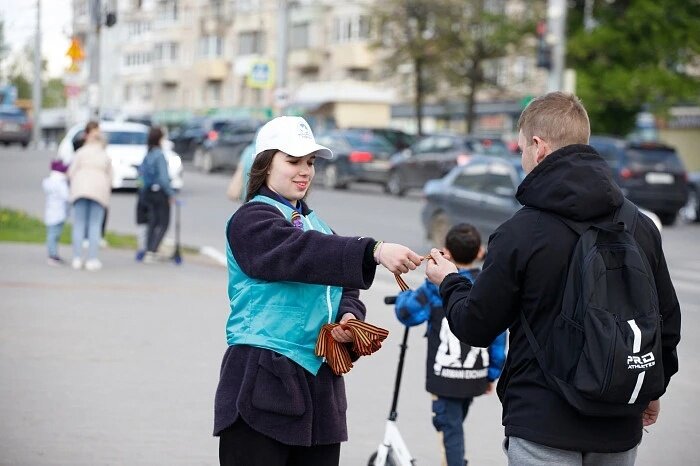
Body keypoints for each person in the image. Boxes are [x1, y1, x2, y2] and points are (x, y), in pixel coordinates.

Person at [425, 92, 681, 465]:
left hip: (542, 425)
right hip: (619, 425)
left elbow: (475, 325)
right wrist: (650, 387)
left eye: (520, 150)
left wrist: (449, 280)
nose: (522, 160)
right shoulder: (638, 225)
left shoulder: (520, 232)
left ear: (538, 146)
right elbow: (667, 323)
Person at [214, 115, 423, 466]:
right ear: (264, 164)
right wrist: (372, 250)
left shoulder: (317, 224)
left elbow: (345, 289)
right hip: (261, 378)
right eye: (292, 161)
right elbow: (299, 252)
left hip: (319, 390)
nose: (305, 171)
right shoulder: (251, 219)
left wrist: (348, 319)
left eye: (310, 162)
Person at [395, 223, 506, 466]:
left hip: (445, 376)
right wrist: (492, 374)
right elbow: (499, 334)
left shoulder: (436, 287)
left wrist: (402, 297)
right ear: (480, 252)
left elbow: (408, 313)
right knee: (455, 421)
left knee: (450, 428)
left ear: (447, 253)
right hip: (476, 373)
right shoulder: (487, 286)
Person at [68, 121, 112, 271]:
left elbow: (71, 172)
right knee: (95, 225)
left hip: (80, 190)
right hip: (98, 192)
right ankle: (92, 259)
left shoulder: (80, 153)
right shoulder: (104, 154)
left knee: (79, 224)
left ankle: (77, 258)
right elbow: (111, 176)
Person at [138, 126, 175, 262]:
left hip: (148, 192)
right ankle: (153, 250)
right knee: (163, 223)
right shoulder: (159, 155)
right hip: (160, 193)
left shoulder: (148, 153)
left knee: (152, 221)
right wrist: (170, 194)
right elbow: (164, 178)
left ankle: (148, 249)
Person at [42, 159, 70, 266]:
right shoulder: (60, 183)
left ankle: (53, 254)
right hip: (58, 213)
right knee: (54, 235)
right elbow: (67, 197)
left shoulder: (48, 182)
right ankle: (52, 255)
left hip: (51, 212)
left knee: (52, 234)